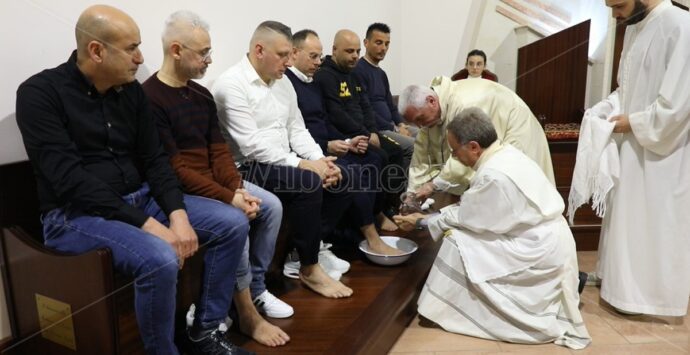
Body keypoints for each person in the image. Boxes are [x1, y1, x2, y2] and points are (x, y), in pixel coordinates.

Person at [15, 5, 251, 354]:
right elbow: (69, 181)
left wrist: (178, 215)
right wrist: (151, 226)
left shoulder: (132, 92)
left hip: (140, 199)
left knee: (231, 223)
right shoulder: (40, 93)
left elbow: (156, 160)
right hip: (75, 216)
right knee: (160, 257)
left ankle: (203, 331)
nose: (141, 58)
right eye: (131, 48)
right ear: (96, 51)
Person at [142, 11, 292, 347]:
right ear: (176, 50)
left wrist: (236, 187)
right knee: (234, 218)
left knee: (272, 206)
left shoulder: (201, 95)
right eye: (203, 52)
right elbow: (175, 171)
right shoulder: (149, 98)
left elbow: (219, 151)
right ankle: (240, 312)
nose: (210, 59)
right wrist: (230, 198)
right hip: (184, 191)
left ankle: (254, 289)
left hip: (218, 184)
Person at [394, 108, 591, 349]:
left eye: (455, 151)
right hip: (544, 237)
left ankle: (455, 311)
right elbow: (476, 211)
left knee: (456, 241)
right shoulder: (506, 153)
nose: (455, 157)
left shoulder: (493, 175)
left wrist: (421, 221)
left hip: (536, 247)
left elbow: (469, 218)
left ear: (474, 146)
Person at [211, 20, 353, 299]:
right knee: (308, 182)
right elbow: (251, 146)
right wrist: (302, 164)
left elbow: (296, 129)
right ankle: (310, 268)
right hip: (247, 168)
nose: (289, 62)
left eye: (290, 55)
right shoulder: (231, 84)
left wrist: (321, 159)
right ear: (259, 50)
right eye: (283, 55)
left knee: (341, 177)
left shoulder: (282, 81)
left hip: (280, 161)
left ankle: (303, 252)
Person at [586, 0, 690, 316]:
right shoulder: (634, 27)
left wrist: (632, 122)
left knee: (655, 219)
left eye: (618, 6)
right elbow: (626, 88)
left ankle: (651, 298)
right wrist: (607, 107)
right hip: (630, 142)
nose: (614, 15)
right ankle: (619, 285)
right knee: (626, 214)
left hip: (664, 150)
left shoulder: (680, 24)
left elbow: (679, 103)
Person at [287, 29, 402, 254]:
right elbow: (297, 131)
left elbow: (323, 120)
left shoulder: (309, 81)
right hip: (309, 152)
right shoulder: (290, 83)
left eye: (319, 57)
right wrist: (327, 146)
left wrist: (347, 140)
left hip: (325, 144)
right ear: (294, 53)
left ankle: (364, 225)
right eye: (313, 56)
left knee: (375, 156)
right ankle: (368, 237)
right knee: (354, 170)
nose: (318, 62)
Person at [398, 77, 554, 199]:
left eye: (420, 119)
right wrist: (413, 193)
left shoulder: (464, 105)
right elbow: (421, 155)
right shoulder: (432, 110)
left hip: (516, 131)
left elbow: (467, 151)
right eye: (414, 122)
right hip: (493, 133)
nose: (419, 126)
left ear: (431, 101)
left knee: (512, 191)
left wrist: (433, 185)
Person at [314, 29, 408, 177]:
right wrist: (366, 134)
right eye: (350, 51)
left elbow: (366, 106)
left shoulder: (353, 74)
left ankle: (396, 200)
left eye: (358, 51)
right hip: (347, 136)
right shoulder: (325, 76)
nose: (355, 56)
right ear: (334, 50)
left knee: (395, 151)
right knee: (381, 156)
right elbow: (336, 114)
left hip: (365, 132)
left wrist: (372, 132)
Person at [353, 23, 416, 167]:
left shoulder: (381, 74)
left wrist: (401, 124)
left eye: (387, 44)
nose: (383, 48)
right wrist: (395, 129)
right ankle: (404, 187)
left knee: (426, 137)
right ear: (366, 43)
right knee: (414, 146)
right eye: (379, 42)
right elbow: (366, 109)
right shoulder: (358, 70)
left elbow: (391, 106)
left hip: (392, 126)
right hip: (379, 129)